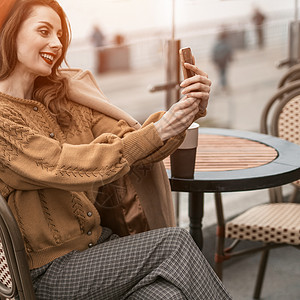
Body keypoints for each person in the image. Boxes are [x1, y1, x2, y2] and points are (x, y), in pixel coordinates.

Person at [0, 0, 232, 299]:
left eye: (59, 35)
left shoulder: (65, 99)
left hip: (100, 250)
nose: (56, 43)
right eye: (43, 31)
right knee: (175, 243)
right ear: (10, 33)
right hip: (49, 274)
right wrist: (162, 128)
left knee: (166, 295)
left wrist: (181, 115)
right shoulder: (3, 118)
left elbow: (131, 144)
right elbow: (62, 165)